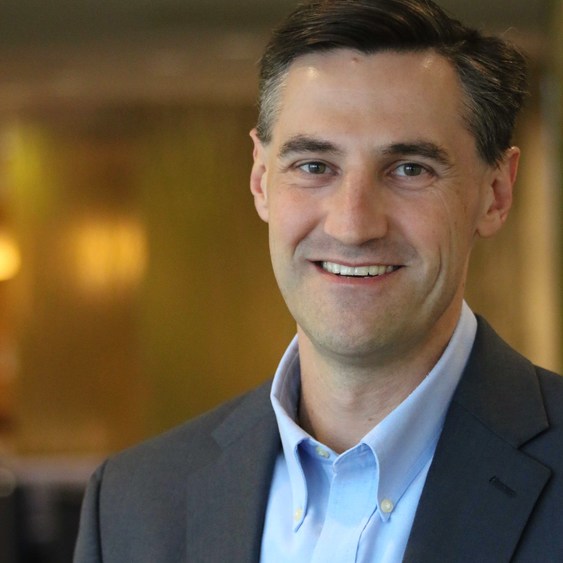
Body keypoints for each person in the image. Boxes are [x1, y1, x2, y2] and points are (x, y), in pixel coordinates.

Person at [74, 0, 563, 561]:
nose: (352, 225)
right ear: (261, 178)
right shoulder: (133, 506)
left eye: (410, 169)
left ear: (495, 194)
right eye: (314, 166)